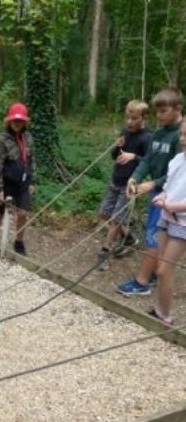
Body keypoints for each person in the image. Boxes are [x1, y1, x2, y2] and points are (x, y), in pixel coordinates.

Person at [117, 87, 183, 295]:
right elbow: (147, 160)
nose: (159, 116)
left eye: (163, 111)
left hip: (170, 197)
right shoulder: (158, 134)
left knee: (154, 236)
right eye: (157, 112)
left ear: (178, 109)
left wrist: (153, 184)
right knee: (155, 235)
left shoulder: (180, 136)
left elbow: (177, 173)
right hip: (156, 194)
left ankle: (142, 282)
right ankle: (154, 271)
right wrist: (135, 178)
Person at [97, 100, 151, 270]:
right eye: (127, 118)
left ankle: (104, 252)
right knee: (104, 214)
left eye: (134, 118)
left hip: (129, 185)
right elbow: (114, 156)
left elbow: (149, 162)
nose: (129, 122)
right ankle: (128, 237)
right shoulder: (125, 132)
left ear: (143, 118)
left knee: (116, 219)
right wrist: (117, 146)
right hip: (116, 179)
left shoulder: (147, 137)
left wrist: (134, 156)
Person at [0, 102, 36, 255]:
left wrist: (32, 181)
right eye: (14, 120)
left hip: (23, 182)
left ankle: (19, 242)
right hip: (6, 182)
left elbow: (32, 160)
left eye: (20, 121)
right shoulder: (2, 138)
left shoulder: (28, 137)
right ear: (9, 121)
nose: (17, 123)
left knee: (23, 213)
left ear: (25, 122)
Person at [148, 117, 186, 324]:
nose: (183, 139)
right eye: (182, 134)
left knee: (165, 270)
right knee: (160, 267)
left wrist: (176, 207)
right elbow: (168, 187)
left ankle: (166, 316)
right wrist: (162, 197)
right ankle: (159, 309)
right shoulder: (177, 159)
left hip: (182, 223)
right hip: (166, 217)